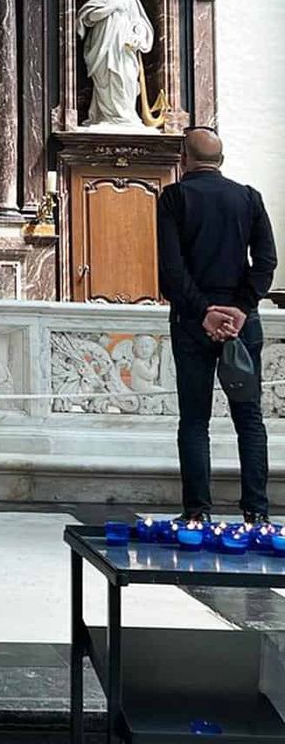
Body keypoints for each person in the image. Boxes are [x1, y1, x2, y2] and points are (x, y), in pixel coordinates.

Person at [158, 127, 278, 523]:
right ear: (221, 161)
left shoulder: (174, 198)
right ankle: (257, 514)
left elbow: (172, 271)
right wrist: (242, 309)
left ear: (184, 157)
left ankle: (197, 513)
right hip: (244, 325)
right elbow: (265, 263)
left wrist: (205, 311)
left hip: (193, 323)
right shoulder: (248, 198)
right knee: (249, 418)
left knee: (195, 420)